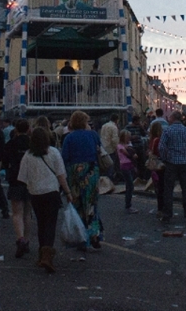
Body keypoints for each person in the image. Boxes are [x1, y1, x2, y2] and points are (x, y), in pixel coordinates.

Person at [17, 127, 71, 273]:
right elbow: (61, 175)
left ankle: (42, 253)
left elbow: (22, 177)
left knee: (41, 223)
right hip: (52, 192)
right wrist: (67, 192)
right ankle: (47, 255)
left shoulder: (28, 155)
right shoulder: (53, 152)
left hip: (35, 193)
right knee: (50, 223)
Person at [60, 110, 104, 248]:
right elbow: (99, 150)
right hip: (91, 169)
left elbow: (64, 158)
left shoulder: (69, 137)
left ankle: (81, 236)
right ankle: (94, 234)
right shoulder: (93, 135)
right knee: (91, 203)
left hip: (74, 171)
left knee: (77, 203)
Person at [158, 111, 186, 223]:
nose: (168, 118)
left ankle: (167, 214)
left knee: (168, 190)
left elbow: (161, 147)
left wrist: (165, 158)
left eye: (169, 116)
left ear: (173, 118)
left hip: (171, 163)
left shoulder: (167, 130)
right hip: (184, 163)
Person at [2, 119, 33, 257]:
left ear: (16, 129)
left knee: (17, 212)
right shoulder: (33, 144)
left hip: (15, 178)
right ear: (28, 129)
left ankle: (19, 238)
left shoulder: (10, 144)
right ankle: (26, 240)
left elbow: (4, 162)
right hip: (31, 179)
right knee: (27, 212)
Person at [116, 130, 139, 214]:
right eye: (127, 137)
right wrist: (131, 151)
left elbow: (133, 154)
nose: (129, 138)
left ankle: (128, 204)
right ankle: (128, 205)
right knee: (130, 185)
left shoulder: (128, 145)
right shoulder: (119, 146)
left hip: (130, 165)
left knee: (129, 185)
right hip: (124, 166)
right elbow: (128, 154)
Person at [147, 120, 166, 213]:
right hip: (159, 165)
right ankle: (162, 208)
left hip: (153, 165)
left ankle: (160, 207)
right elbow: (158, 152)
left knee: (157, 187)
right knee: (162, 186)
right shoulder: (158, 140)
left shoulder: (151, 139)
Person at [99, 113, 120, 178]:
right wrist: (116, 148)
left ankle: (106, 180)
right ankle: (110, 180)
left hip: (103, 148)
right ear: (116, 120)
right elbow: (114, 139)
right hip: (111, 148)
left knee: (105, 165)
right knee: (111, 164)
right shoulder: (114, 127)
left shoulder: (104, 125)